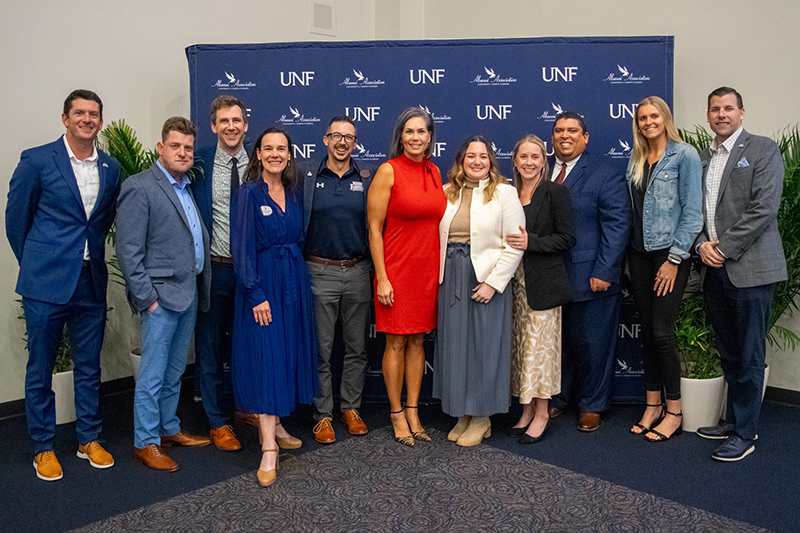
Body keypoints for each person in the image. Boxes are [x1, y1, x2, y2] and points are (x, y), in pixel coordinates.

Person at [6, 89, 120, 481]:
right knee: (40, 368)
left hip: (90, 282)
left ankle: (88, 438)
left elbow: (100, 223)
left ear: (100, 121)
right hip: (46, 284)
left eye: (94, 114)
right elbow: (16, 219)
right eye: (79, 113)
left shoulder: (111, 167)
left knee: (89, 366)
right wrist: (37, 264)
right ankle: (43, 447)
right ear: (65, 118)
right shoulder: (37, 160)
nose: (87, 119)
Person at [117, 116, 213, 472]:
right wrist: (148, 299)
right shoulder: (140, 187)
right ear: (161, 147)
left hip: (187, 293)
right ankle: (145, 441)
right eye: (176, 146)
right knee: (153, 374)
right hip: (160, 298)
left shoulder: (186, 186)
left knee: (174, 372)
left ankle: (169, 428)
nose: (183, 152)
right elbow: (128, 251)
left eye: (188, 147)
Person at [694, 87, 786, 462]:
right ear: (708, 115)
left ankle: (746, 433)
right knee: (730, 352)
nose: (721, 114)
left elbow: (763, 208)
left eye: (728, 108)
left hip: (750, 268)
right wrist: (702, 243)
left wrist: (723, 247)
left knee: (749, 354)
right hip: (713, 269)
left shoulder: (763, 149)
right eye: (715, 109)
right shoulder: (702, 157)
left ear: (742, 113)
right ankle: (733, 420)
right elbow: (694, 209)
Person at [230, 127, 317, 486]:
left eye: (282, 148)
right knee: (267, 357)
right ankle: (268, 448)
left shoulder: (295, 193)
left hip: (293, 282)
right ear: (259, 154)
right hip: (263, 286)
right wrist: (255, 293)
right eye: (269, 148)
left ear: (289, 154)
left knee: (285, 354)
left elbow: (298, 238)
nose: (276, 154)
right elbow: (241, 247)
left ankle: (278, 424)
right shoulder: (249, 193)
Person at [433, 136, 524, 447]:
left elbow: (514, 245)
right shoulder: (446, 193)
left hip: (485, 277)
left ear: (491, 161)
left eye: (482, 156)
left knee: (484, 348)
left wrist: (493, 282)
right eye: (470, 156)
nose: (476, 161)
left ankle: (482, 415)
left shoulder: (505, 193)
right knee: (455, 346)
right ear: (461, 160)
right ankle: (463, 412)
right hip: (451, 276)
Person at [625, 96, 703, 442]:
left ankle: (674, 410)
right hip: (639, 257)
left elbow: (692, 213)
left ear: (665, 118)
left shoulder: (683, 155)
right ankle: (652, 405)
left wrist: (674, 260)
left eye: (654, 116)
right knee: (646, 330)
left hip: (669, 256)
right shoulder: (637, 158)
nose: (648, 122)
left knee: (661, 332)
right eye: (642, 118)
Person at [547, 112, 631, 432]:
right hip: (552, 279)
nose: (564, 136)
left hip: (592, 277)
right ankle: (559, 397)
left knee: (593, 345)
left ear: (585, 137)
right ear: (552, 137)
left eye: (572, 131)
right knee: (560, 344)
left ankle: (592, 405)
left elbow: (617, 226)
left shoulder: (604, 174)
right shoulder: (541, 171)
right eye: (558, 131)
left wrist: (605, 270)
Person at [367, 107, 446, 447]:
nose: (416, 137)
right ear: (401, 136)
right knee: (396, 341)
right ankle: (397, 413)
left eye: (422, 132)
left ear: (430, 137)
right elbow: (373, 227)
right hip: (396, 271)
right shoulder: (388, 171)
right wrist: (382, 277)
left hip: (427, 272)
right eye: (410, 131)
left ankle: (414, 411)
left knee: (417, 341)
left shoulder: (434, 171)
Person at [299, 116, 375, 444]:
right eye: (336, 136)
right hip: (319, 271)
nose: (343, 142)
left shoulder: (368, 177)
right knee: (322, 349)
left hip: (358, 270)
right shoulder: (307, 175)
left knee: (357, 347)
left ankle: (351, 408)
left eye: (349, 137)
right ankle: (323, 415)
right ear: (326, 139)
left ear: (355, 143)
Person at [505, 135, 576, 444]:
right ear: (515, 160)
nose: (529, 162)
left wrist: (531, 242)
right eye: (524, 156)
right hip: (511, 286)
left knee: (539, 354)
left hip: (543, 286)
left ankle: (543, 413)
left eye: (535, 157)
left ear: (543, 161)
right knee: (520, 351)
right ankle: (525, 409)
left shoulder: (554, 193)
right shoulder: (506, 193)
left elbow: (567, 238)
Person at [190, 95, 251, 451]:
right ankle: (216, 420)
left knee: (246, 345)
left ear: (245, 125)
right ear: (214, 126)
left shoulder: (260, 163)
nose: (230, 126)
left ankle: (245, 408)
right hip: (213, 269)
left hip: (250, 273)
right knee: (210, 347)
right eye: (223, 121)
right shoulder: (198, 164)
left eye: (236, 120)